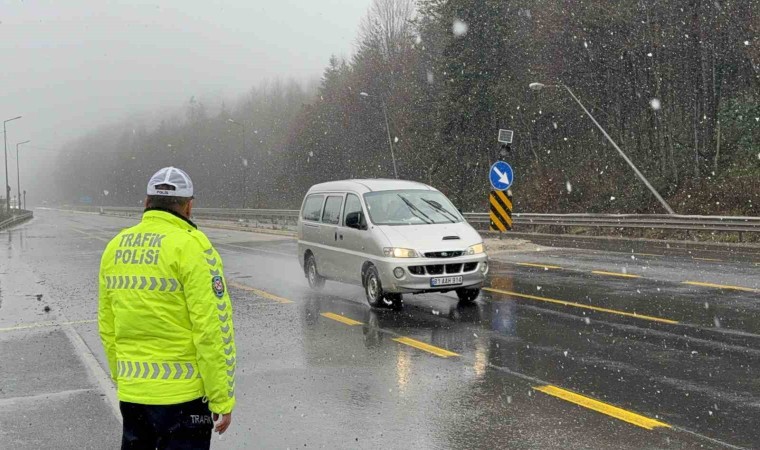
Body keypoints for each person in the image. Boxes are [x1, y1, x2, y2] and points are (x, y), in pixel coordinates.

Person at [98, 166, 236, 449]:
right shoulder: (193, 247)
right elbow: (212, 329)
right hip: (183, 400)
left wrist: (124, 378)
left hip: (134, 396)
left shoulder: (115, 247)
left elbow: (107, 326)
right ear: (188, 206)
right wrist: (221, 396)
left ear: (147, 203)